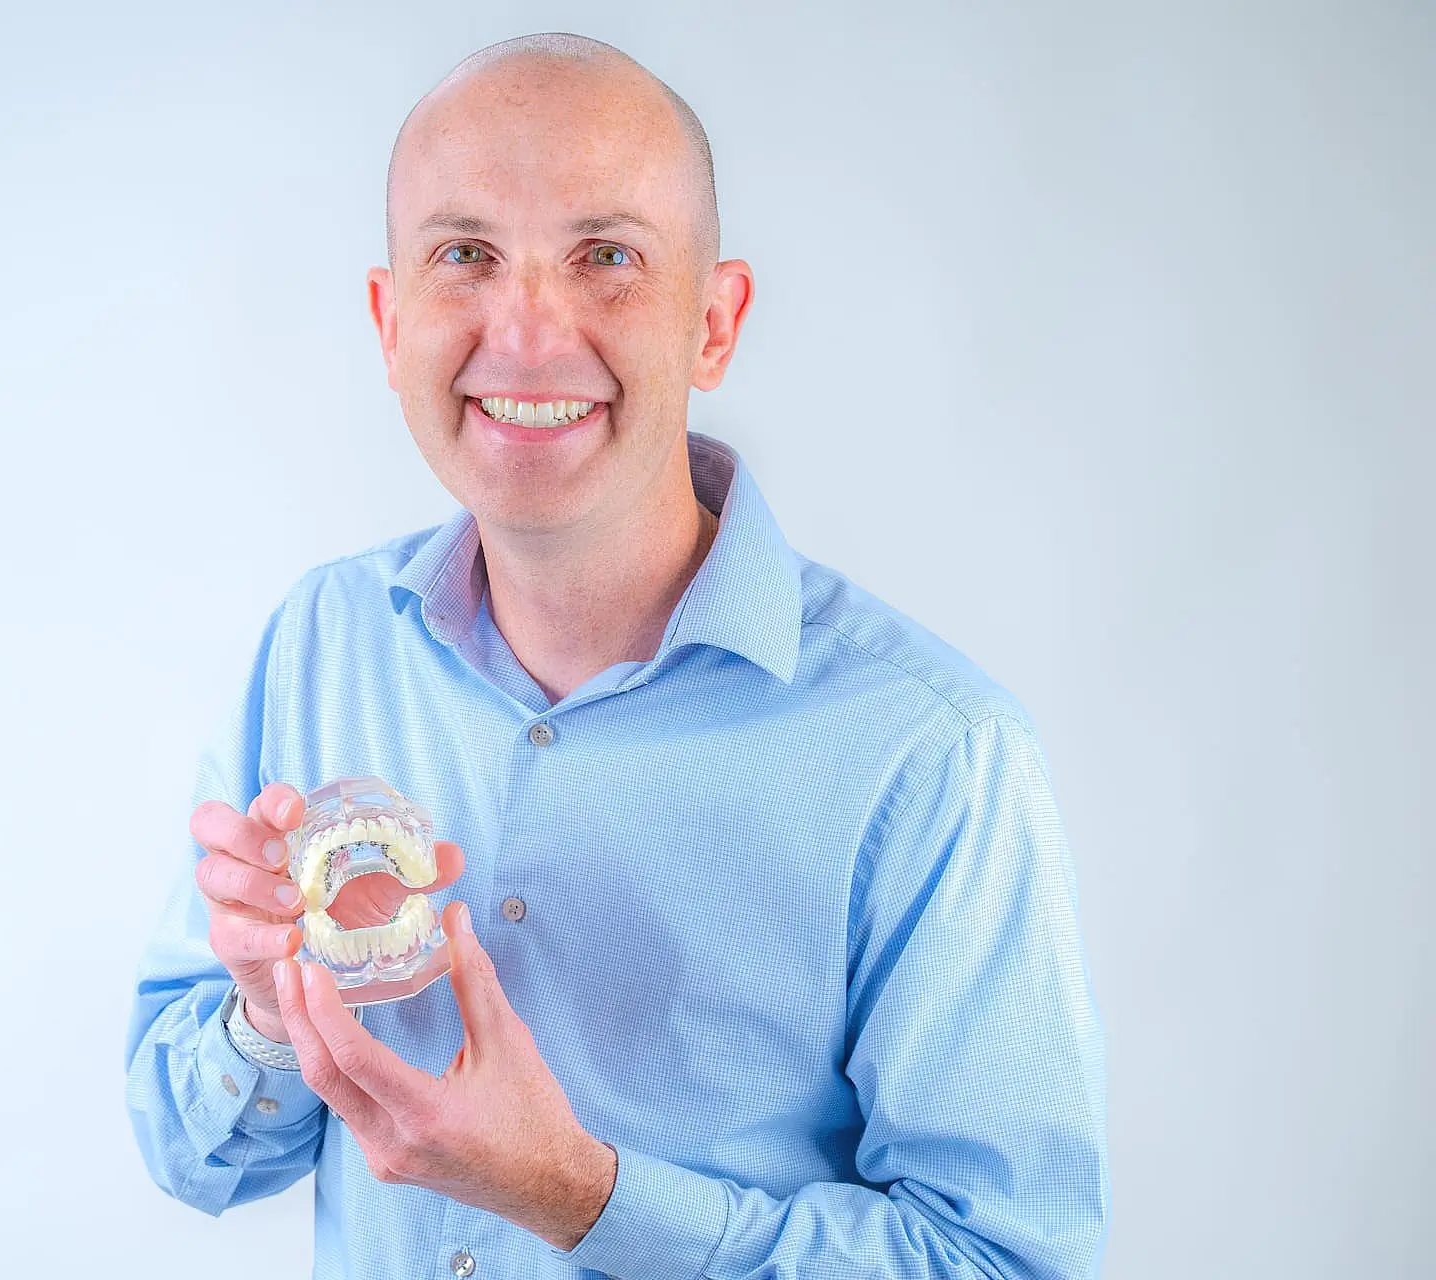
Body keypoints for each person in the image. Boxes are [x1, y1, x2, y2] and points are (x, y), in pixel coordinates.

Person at [126, 31, 1109, 1280]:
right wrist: (269, 1010)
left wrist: (582, 1195)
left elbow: (1006, 1262)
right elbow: (188, 1146)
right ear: (390, 322)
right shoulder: (319, 645)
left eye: (607, 258)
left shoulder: (934, 757)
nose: (527, 334)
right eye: (464, 255)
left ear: (715, 321)